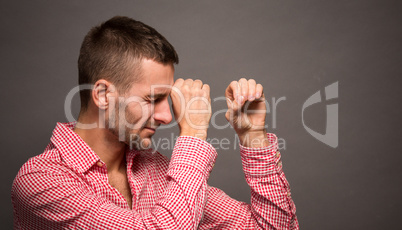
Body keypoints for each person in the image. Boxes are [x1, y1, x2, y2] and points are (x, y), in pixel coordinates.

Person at [11, 16, 299, 229]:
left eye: (168, 99)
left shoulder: (158, 171)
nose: (166, 116)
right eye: (152, 99)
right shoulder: (40, 182)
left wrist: (253, 137)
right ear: (102, 94)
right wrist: (194, 133)